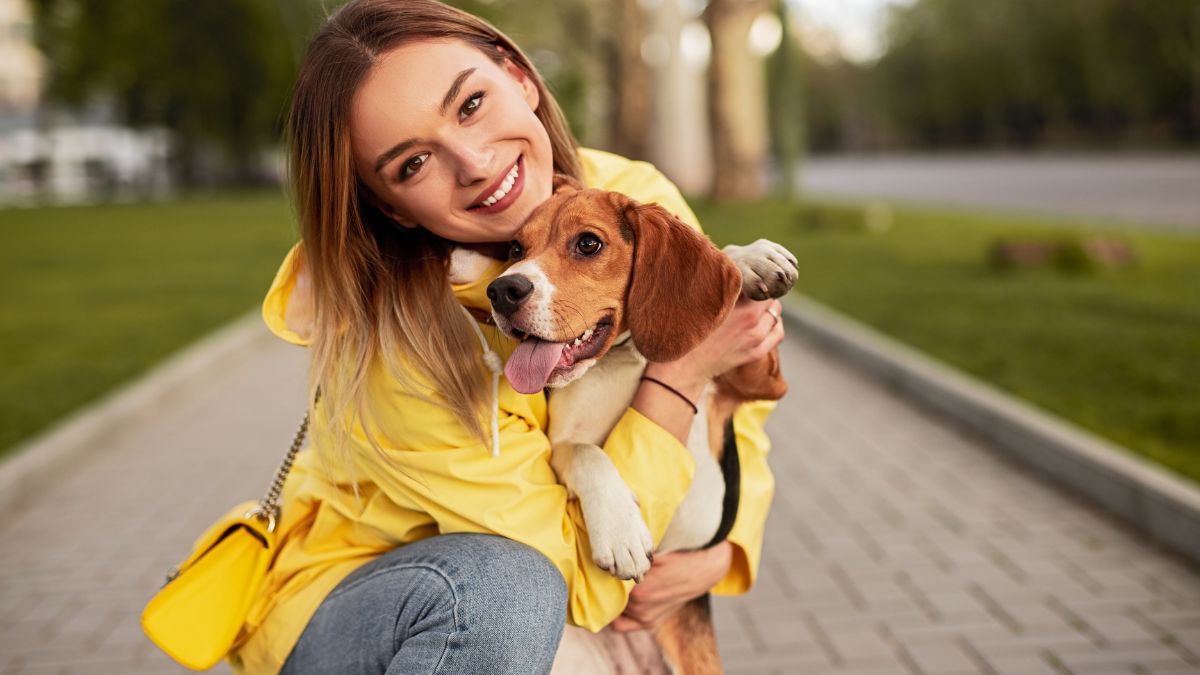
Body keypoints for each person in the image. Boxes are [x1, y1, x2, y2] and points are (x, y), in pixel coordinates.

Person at [230, 0, 783, 673]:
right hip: (365, 616)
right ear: (388, 206)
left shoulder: (630, 192)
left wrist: (721, 551)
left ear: (519, 76)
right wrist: (682, 370)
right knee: (508, 593)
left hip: (550, 589)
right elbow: (581, 578)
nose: (474, 162)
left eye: (469, 105)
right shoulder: (394, 351)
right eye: (412, 164)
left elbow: (735, 413)